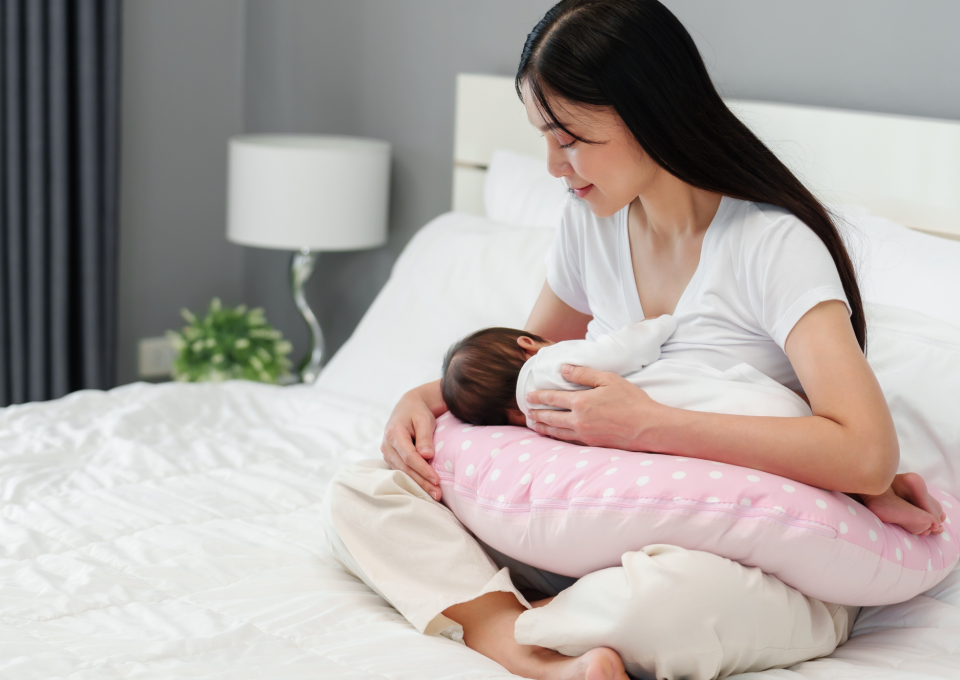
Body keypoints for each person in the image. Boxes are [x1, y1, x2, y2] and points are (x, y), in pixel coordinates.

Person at [323, 2, 944, 678]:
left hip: (738, 561)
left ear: (649, 112)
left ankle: (523, 614)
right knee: (363, 494)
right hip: (592, 530)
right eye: (545, 139)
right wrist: (425, 399)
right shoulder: (591, 222)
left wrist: (650, 426)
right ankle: (540, 648)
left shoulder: (771, 246)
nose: (556, 167)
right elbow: (529, 362)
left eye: (570, 138)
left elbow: (865, 454)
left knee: (658, 608)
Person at [440, 322, 945, 536]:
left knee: (814, 471)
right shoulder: (553, 364)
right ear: (530, 344)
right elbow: (621, 348)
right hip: (755, 410)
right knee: (807, 458)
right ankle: (886, 491)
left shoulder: (537, 419)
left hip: (742, 429)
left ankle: (879, 493)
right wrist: (660, 325)